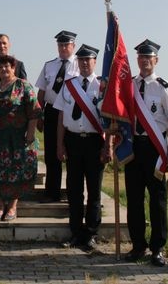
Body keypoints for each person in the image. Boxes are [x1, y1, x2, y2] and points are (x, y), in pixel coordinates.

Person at [125, 39, 168, 266]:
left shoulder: (164, 87)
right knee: (134, 199)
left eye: (149, 58)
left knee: (157, 200)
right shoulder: (130, 85)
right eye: (141, 57)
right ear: (137, 60)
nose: (145, 61)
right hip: (134, 147)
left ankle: (157, 248)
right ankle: (138, 245)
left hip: (156, 148)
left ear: (156, 60)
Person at [54, 44, 110, 252]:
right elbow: (61, 116)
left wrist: (108, 146)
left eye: (89, 60)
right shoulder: (69, 86)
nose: (85, 63)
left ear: (95, 62)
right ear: (77, 62)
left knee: (94, 191)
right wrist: (60, 144)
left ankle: (91, 234)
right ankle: (76, 232)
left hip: (95, 143)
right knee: (74, 190)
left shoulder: (103, 86)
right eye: (82, 60)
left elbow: (112, 120)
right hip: (73, 141)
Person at [0, 55, 42, 221]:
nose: (4, 69)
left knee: (16, 171)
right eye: (0, 67)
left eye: (7, 66)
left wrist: (30, 134)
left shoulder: (24, 85)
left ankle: (12, 206)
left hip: (19, 138)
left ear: (13, 68)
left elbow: (34, 111)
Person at [35, 30, 79, 203]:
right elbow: (41, 92)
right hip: (52, 112)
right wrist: (39, 115)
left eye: (66, 44)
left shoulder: (80, 64)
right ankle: (52, 192)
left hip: (72, 113)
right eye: (60, 44)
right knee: (52, 153)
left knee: (72, 153)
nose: (62, 47)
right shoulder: (49, 65)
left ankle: (71, 191)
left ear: (73, 46)